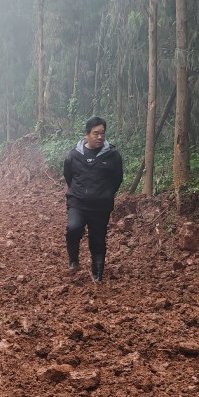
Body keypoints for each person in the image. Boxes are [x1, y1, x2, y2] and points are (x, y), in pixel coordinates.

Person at [63, 116, 123, 282]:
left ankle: (97, 273)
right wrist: (78, 191)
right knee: (74, 229)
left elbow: (117, 179)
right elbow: (69, 177)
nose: (100, 137)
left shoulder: (112, 155)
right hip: (78, 203)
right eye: (96, 133)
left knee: (98, 238)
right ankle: (73, 259)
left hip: (101, 206)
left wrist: (105, 194)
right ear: (86, 135)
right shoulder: (73, 156)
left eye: (102, 133)